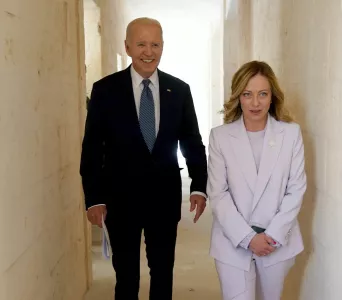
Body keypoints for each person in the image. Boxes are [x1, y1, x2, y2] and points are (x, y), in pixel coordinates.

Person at [80, 17, 208, 300]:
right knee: (126, 276)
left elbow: (191, 141)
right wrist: (94, 198)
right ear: (127, 47)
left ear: (162, 47)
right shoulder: (105, 90)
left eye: (155, 44)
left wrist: (199, 185)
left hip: (164, 198)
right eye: (141, 44)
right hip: (120, 200)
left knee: (163, 273)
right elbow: (91, 147)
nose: (148, 52)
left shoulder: (180, 91)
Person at [207, 61, 307, 300]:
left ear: (272, 97)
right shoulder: (220, 137)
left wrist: (270, 235)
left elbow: (296, 189)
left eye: (262, 94)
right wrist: (248, 238)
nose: (255, 103)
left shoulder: (291, 134)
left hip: (276, 242)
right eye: (247, 94)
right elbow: (218, 194)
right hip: (232, 242)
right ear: (238, 97)